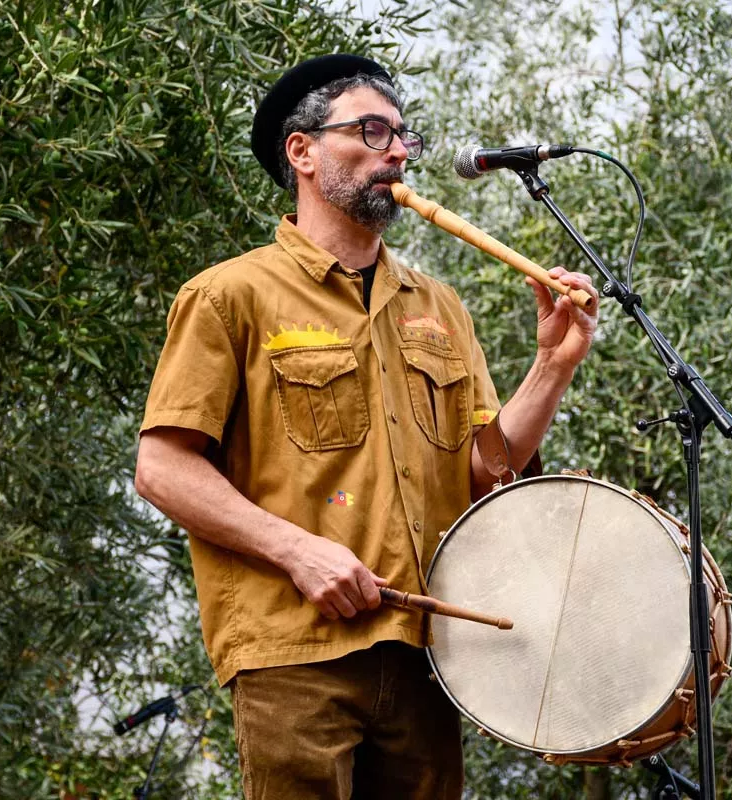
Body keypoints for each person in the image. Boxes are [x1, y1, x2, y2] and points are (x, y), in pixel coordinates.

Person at [134, 54, 598, 799]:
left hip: (428, 652)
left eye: (403, 136)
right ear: (303, 152)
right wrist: (297, 552)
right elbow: (162, 469)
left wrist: (552, 364)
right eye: (372, 130)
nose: (397, 151)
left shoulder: (439, 306)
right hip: (296, 651)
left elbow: (487, 468)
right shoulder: (229, 296)